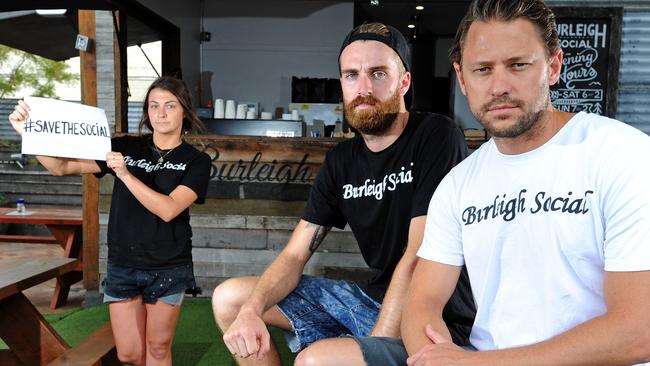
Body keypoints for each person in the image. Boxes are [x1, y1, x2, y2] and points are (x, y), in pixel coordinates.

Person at [393, 0, 650, 365]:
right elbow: (422, 302)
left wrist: (474, 364)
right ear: (462, 79)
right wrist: (432, 356)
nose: (499, 86)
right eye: (482, 69)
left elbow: (638, 331)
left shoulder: (623, 156)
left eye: (518, 65)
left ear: (553, 66)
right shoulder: (458, 185)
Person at [211, 22, 476, 366]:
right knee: (230, 299)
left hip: (431, 316)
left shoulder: (436, 136)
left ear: (404, 81)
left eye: (378, 73)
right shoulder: (342, 160)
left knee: (315, 360)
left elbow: (418, 253)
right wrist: (251, 311)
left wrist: (374, 347)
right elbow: (295, 254)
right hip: (369, 298)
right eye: (352, 75)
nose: (364, 87)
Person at [8, 76, 212, 366]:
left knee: (157, 348)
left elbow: (168, 210)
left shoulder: (196, 161)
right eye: (154, 106)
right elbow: (61, 166)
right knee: (129, 353)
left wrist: (126, 175)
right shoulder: (126, 147)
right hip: (123, 263)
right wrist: (29, 134)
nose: (161, 113)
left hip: (167, 265)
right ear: (147, 112)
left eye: (170, 105)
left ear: (184, 111)